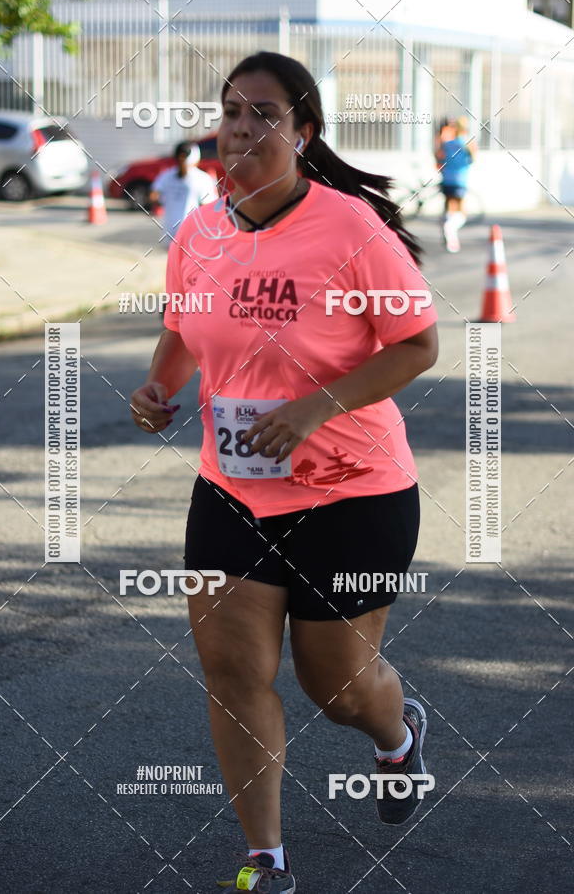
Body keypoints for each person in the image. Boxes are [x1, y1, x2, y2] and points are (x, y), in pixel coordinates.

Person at [131, 51, 438, 893]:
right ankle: (266, 857)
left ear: (304, 133)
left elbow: (418, 343)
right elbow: (186, 328)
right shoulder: (199, 229)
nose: (241, 127)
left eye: (263, 113)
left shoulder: (351, 231)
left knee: (334, 686)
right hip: (232, 488)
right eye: (231, 111)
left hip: (353, 489)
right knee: (232, 670)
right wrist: (161, 387)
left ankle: (396, 731)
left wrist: (312, 409)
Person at [149, 140, 218, 247]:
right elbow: (210, 208)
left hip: (189, 235)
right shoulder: (203, 178)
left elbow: (154, 196)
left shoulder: (167, 175)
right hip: (176, 235)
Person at [435, 115, 477, 253]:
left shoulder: (447, 143)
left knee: (448, 206)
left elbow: (438, 156)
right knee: (461, 212)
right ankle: (449, 228)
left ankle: (450, 236)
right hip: (460, 180)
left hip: (446, 178)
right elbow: (473, 159)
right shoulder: (468, 143)